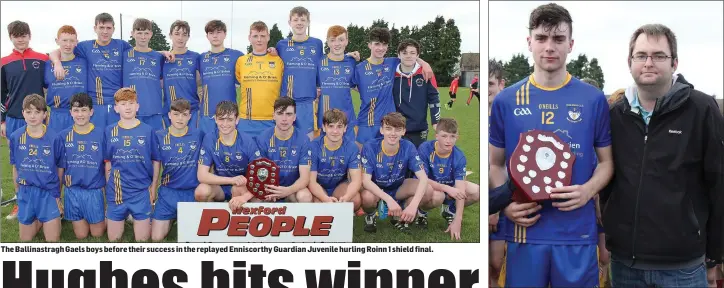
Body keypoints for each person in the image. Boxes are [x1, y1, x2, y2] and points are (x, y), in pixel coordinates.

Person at [489, 4, 613, 287]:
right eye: (542, 38)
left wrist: (587, 191)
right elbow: (495, 163)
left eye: (558, 39)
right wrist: (507, 205)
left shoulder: (592, 99)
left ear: (570, 44)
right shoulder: (507, 100)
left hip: (577, 235)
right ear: (529, 42)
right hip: (523, 233)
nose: (549, 47)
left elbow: (606, 162)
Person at [603, 23, 724, 288]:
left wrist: (715, 256)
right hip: (625, 265)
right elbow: (607, 180)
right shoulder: (615, 116)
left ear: (674, 62)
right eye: (641, 55)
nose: (649, 63)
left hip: (684, 267)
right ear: (629, 61)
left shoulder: (702, 110)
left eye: (659, 56)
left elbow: (718, 183)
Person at [49, 13, 173, 129]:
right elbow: (61, 50)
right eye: (101, 27)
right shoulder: (85, 47)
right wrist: (57, 62)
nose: (105, 31)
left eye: (108, 28)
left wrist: (161, 53)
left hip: (118, 105)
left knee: (117, 140)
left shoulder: (121, 46)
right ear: (95, 28)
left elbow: (142, 51)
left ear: (113, 29)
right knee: (97, 141)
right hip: (96, 105)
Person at [359, 112, 443, 233]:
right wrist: (389, 200)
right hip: (375, 190)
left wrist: (413, 205)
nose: (393, 133)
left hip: (398, 187)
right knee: (367, 197)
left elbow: (423, 179)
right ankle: (371, 215)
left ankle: (402, 213)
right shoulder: (370, 147)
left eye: (398, 129)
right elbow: (366, 181)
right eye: (388, 129)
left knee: (428, 190)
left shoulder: (408, 146)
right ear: (381, 130)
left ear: (403, 131)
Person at [2, 20, 50, 220]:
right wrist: (2, 121)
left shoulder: (42, 59)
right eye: (16, 36)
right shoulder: (3, 62)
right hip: (14, 119)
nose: (20, 39)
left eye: (23, 35)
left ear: (29, 36)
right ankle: (20, 203)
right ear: (10, 37)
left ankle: (47, 202)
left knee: (43, 161)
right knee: (19, 163)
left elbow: (49, 86)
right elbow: (1, 94)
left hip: (39, 119)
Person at [355, 28, 433, 145]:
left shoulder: (392, 63)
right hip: (367, 122)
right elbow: (350, 85)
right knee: (364, 158)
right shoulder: (359, 68)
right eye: (377, 44)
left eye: (384, 44)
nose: (381, 48)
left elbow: (409, 57)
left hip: (390, 123)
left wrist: (425, 64)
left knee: (389, 158)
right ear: (369, 45)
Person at [104, 88, 161, 242]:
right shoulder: (110, 131)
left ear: (137, 106)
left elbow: (156, 160)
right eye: (123, 104)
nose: (127, 107)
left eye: (131, 103)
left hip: (141, 191)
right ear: (116, 108)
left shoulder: (148, 131)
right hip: (118, 192)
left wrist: (153, 187)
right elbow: (107, 162)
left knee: (142, 240)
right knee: (114, 240)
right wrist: (109, 186)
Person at [8, 94, 63, 241]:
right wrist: (18, 192)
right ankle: (37, 218)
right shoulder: (16, 137)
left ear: (45, 114)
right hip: (26, 192)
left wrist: (57, 194)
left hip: (48, 193)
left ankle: (50, 216)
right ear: (23, 113)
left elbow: (59, 168)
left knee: (52, 240)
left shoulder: (54, 138)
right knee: (25, 240)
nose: (32, 116)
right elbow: (15, 168)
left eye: (37, 112)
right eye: (28, 112)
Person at [417, 118, 480, 239]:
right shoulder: (425, 149)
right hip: (431, 188)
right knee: (437, 196)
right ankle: (422, 212)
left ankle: (450, 210)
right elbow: (422, 179)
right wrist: (446, 188)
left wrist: (458, 219)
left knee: (478, 192)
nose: (448, 141)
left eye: (452, 136)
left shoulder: (459, 156)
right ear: (436, 136)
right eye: (444, 136)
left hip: (451, 189)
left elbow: (460, 188)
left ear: (457, 137)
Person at [151, 99, 203, 242]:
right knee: (156, 238)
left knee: (191, 239)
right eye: (176, 114)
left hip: (192, 192)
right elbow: (156, 164)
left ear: (190, 116)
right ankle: (172, 216)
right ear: (169, 115)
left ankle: (188, 214)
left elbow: (207, 162)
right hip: (168, 192)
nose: (180, 119)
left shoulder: (199, 135)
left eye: (184, 115)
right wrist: (153, 189)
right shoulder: (160, 136)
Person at [58, 92, 106, 239]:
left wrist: (107, 195)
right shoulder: (63, 136)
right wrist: (57, 194)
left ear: (91, 112)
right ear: (70, 112)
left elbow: (107, 166)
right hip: (72, 191)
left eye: (84, 110)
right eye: (76, 110)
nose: (80, 114)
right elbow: (60, 168)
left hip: (94, 190)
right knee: (81, 236)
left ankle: (111, 216)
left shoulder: (101, 134)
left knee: (97, 234)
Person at [196, 101, 260, 203]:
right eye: (221, 119)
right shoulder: (210, 139)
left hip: (241, 186)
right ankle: (214, 217)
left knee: (249, 193)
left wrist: (244, 196)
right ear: (215, 119)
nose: (225, 124)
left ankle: (242, 216)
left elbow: (260, 176)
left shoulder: (247, 141)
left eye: (230, 120)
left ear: (237, 120)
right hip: (220, 187)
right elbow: (201, 175)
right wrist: (231, 180)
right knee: (201, 191)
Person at [276, 6, 325, 139]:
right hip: (286, 102)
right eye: (295, 19)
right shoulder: (281, 45)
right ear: (289, 22)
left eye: (303, 20)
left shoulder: (317, 44)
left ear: (308, 22)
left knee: (307, 140)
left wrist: (347, 56)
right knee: (286, 138)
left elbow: (324, 64)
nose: (299, 23)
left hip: (307, 102)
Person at [253, 98, 313, 203]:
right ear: (273, 116)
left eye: (289, 114)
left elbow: (305, 178)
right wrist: (270, 190)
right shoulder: (262, 138)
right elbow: (260, 173)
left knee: (305, 196)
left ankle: (298, 219)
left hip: (293, 188)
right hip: (269, 187)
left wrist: (288, 190)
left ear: (294, 117)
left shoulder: (303, 139)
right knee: (255, 199)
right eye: (280, 114)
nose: (284, 119)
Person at [234, 21, 285, 136]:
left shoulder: (278, 61)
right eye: (255, 36)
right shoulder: (241, 61)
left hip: (272, 120)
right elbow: (238, 80)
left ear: (268, 37)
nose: (259, 40)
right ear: (249, 38)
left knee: (270, 154)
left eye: (263, 36)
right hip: (247, 120)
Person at [307, 109, 362, 211]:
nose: (335, 131)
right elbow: (311, 181)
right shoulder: (313, 146)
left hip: (339, 186)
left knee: (355, 200)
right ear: (324, 127)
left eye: (339, 126)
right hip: (319, 186)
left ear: (345, 128)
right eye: (331, 126)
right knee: (319, 207)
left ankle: (344, 215)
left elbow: (356, 180)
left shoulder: (351, 147)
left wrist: (347, 197)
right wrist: (325, 199)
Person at [197, 20, 244, 133]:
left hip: (229, 113)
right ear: (207, 36)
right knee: (208, 146)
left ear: (225, 34)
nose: (215, 36)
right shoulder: (201, 58)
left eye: (218, 32)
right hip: (207, 113)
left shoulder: (237, 55)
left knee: (228, 146)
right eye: (211, 33)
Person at [392, 39, 441, 148]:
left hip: (419, 129)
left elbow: (434, 99)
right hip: (397, 129)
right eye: (404, 53)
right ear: (398, 55)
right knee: (399, 163)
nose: (408, 56)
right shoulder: (391, 74)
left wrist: (436, 122)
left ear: (418, 55)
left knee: (418, 162)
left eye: (412, 53)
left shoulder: (426, 74)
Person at [122, 18, 166, 132]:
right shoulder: (124, 56)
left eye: (146, 33)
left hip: (154, 110)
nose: (143, 37)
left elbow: (162, 81)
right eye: (139, 33)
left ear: (151, 34)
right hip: (132, 111)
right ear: (132, 34)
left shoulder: (158, 57)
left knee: (155, 146)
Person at [317, 25, 358, 143]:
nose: (337, 44)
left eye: (341, 39)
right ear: (328, 42)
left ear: (346, 41)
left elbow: (357, 86)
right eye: (333, 40)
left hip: (347, 118)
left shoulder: (351, 62)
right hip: (326, 118)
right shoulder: (319, 62)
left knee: (348, 154)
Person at [45, 25, 87, 132]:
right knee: (57, 147)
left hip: (79, 114)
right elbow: (43, 88)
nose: (68, 45)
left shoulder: (84, 62)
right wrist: (57, 62)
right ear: (57, 41)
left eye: (72, 41)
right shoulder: (47, 65)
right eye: (64, 40)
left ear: (76, 42)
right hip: (56, 115)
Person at [487, 58, 507, 287]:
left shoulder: (510, 116)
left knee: (497, 262)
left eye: (490, 84)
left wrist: (495, 208)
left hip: (502, 199)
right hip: (484, 196)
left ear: (501, 84)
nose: (487, 89)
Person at [163, 20, 201, 129]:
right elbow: (148, 53)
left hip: (191, 111)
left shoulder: (195, 57)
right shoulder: (163, 58)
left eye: (184, 35)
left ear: (188, 37)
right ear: (170, 35)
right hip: (171, 111)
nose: (180, 38)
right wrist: (162, 52)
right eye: (177, 34)